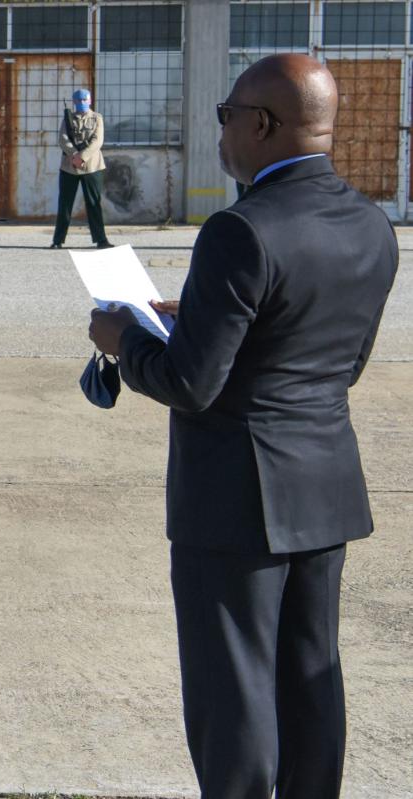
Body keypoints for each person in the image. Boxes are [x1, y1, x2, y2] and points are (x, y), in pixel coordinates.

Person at [88, 54, 398, 798]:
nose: (221, 129)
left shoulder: (240, 229)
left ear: (261, 125)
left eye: (226, 114)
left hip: (235, 501)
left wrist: (123, 340)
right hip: (323, 488)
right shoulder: (370, 223)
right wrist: (198, 320)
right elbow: (337, 363)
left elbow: (190, 385)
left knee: (234, 693)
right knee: (309, 679)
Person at [51, 89, 112, 250]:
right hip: (69, 167)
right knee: (65, 204)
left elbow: (97, 141)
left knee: (93, 203)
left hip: (92, 166)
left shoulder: (97, 118)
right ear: (74, 102)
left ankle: (101, 240)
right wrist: (74, 155)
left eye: (85, 100)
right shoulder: (68, 119)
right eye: (79, 100)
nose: (82, 103)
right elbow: (63, 139)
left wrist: (82, 157)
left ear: (90, 101)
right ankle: (58, 240)